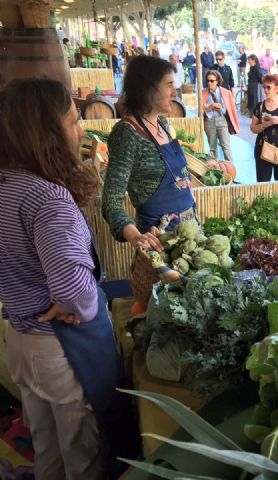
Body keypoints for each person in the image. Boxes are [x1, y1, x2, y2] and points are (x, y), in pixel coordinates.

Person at [0, 77, 139, 479]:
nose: (81, 130)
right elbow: (75, 291)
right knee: (83, 452)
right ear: (47, 132)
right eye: (74, 120)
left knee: (48, 448)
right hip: (60, 349)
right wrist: (77, 303)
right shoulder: (47, 198)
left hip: (20, 341)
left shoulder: (7, 184)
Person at [103, 56, 195, 251]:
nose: (174, 92)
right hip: (160, 243)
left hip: (190, 233)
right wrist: (136, 237)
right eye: (169, 85)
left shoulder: (161, 123)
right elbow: (111, 202)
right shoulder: (127, 134)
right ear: (148, 88)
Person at [202, 70, 239, 161]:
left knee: (226, 147)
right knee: (212, 148)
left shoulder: (226, 92)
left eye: (212, 81)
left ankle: (230, 170)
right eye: (208, 80)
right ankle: (214, 170)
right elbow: (202, 108)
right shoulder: (203, 92)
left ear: (217, 81)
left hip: (222, 120)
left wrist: (220, 108)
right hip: (209, 121)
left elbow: (230, 109)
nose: (209, 83)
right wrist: (211, 106)